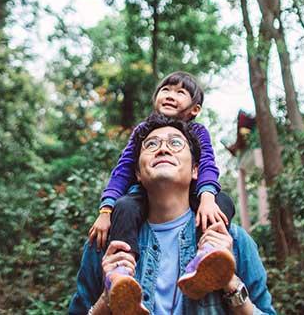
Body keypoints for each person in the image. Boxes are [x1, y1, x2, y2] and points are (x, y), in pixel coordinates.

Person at [69, 113, 276, 315]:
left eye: (175, 143)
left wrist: (229, 281)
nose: (163, 149)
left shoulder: (235, 242)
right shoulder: (106, 245)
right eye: (151, 145)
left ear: (196, 170)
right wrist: (107, 299)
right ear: (138, 175)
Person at [88, 72, 236, 303]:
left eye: (180, 92)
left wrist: (207, 196)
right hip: (143, 195)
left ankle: (208, 256)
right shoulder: (142, 131)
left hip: (193, 193)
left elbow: (207, 163)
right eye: (165, 90)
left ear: (194, 109)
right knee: (124, 206)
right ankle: (121, 274)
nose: (170, 95)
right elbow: (123, 169)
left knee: (222, 202)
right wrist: (106, 210)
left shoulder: (197, 133)